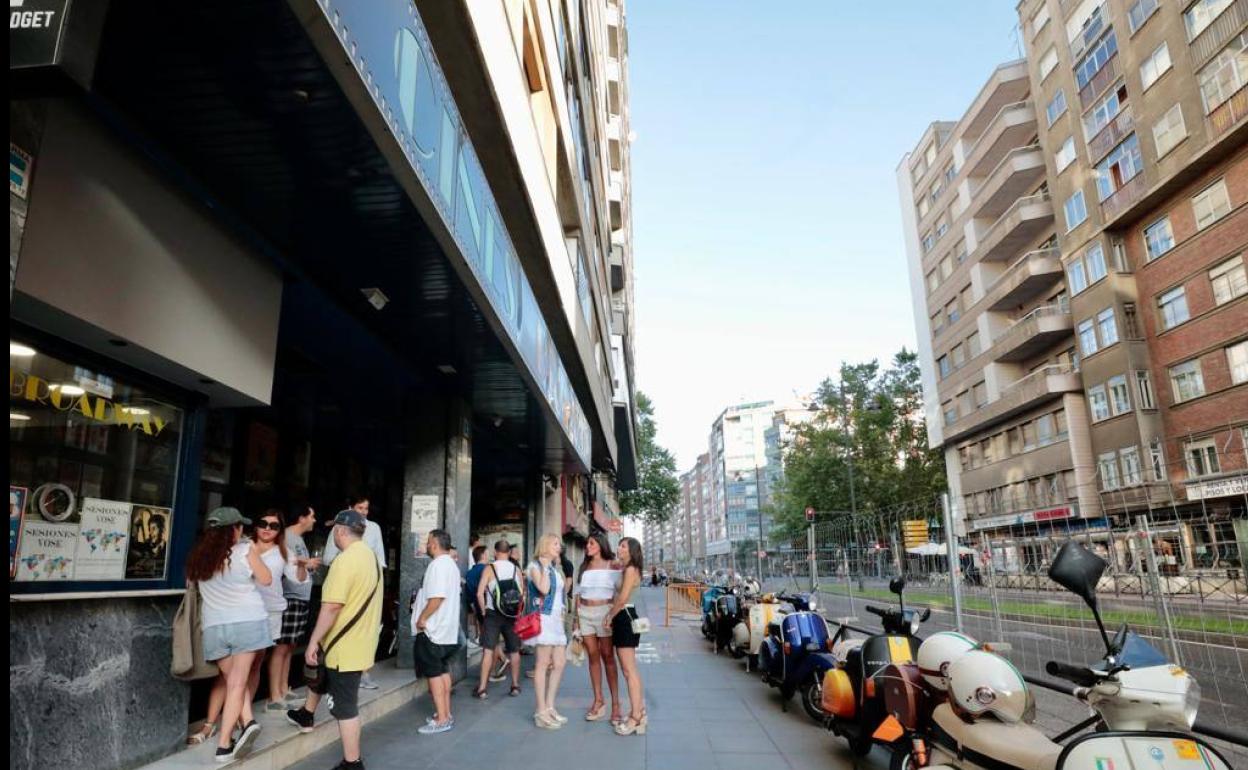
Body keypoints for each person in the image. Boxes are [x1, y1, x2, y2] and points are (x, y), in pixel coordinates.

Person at [286, 510, 383, 770]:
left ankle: (353, 762)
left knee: (345, 707)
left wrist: (313, 641)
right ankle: (306, 714)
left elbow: (331, 607)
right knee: (322, 677)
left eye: (332, 530)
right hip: (358, 642)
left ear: (340, 531)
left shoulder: (345, 561)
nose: (331, 534)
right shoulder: (370, 557)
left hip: (343, 646)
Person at [185, 507, 272, 763]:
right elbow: (266, 579)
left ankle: (247, 723)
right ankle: (224, 745)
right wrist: (253, 551)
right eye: (240, 526)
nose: (243, 530)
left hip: (214, 628)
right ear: (234, 529)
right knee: (237, 684)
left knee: (232, 681)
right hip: (247, 622)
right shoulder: (245, 551)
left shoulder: (198, 559)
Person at [242, 509, 310, 714]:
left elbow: (298, 579)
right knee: (242, 661)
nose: (267, 529)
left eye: (274, 526)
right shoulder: (243, 547)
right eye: (263, 523)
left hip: (271, 610)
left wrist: (301, 565)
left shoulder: (284, 552)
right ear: (256, 525)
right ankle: (239, 708)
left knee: (257, 661)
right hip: (242, 609)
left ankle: (247, 708)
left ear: (280, 530)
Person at [322, 493, 386, 690]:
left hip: (368, 586)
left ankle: (364, 671)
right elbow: (327, 558)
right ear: (350, 508)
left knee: (368, 627)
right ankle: (338, 670)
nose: (364, 513)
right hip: (346, 583)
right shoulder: (339, 528)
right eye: (360, 508)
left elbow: (380, 558)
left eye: (366, 509)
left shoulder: (374, 528)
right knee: (344, 624)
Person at [268, 505, 320, 710]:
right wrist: (304, 564)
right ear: (301, 518)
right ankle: (274, 695)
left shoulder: (298, 540)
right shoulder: (287, 537)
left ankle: (283, 689)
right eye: (312, 516)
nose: (314, 520)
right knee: (281, 647)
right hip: (289, 596)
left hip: (300, 597)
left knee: (290, 647)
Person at [411, 529, 461, 735]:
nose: (426, 545)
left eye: (429, 541)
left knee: (434, 675)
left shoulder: (438, 565)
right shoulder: (451, 565)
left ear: (435, 543)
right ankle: (446, 714)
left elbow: (436, 598)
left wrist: (422, 618)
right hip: (447, 631)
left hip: (433, 631)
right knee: (442, 671)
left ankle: (441, 719)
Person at [574, 533, 623, 724]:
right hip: (585, 612)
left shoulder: (613, 564)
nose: (587, 546)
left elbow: (621, 591)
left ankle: (616, 705)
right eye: (587, 543)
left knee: (608, 657)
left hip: (605, 613)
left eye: (591, 543)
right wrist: (576, 620)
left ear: (601, 545)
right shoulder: (584, 566)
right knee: (593, 657)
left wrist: (612, 615)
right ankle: (598, 701)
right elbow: (578, 593)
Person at [526, 534, 569, 729]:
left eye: (559, 544)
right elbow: (543, 589)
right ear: (544, 545)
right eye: (554, 544)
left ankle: (550, 706)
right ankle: (540, 710)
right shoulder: (535, 567)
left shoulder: (554, 568)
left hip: (556, 621)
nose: (558, 547)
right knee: (543, 663)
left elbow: (561, 595)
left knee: (559, 663)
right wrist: (543, 566)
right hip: (543, 618)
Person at [473, 540, 524, 698]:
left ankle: (482, 689)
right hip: (512, 615)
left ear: (495, 552)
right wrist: (519, 614)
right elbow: (522, 594)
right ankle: (515, 685)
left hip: (493, 614)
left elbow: (479, 593)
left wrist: (483, 611)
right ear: (509, 553)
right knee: (514, 650)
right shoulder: (516, 569)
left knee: (488, 650)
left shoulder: (490, 568)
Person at [607, 537, 646, 736]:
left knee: (629, 670)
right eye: (619, 545)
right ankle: (638, 710)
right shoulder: (627, 568)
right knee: (629, 669)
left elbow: (622, 599)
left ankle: (636, 717)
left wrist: (609, 616)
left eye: (623, 546)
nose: (619, 548)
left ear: (631, 551)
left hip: (624, 618)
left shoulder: (631, 570)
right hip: (624, 618)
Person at [465, 545, 489, 646]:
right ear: (483, 555)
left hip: (476, 605)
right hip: (489, 606)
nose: (489, 556)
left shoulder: (469, 573)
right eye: (488, 553)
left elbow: (469, 592)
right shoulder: (488, 570)